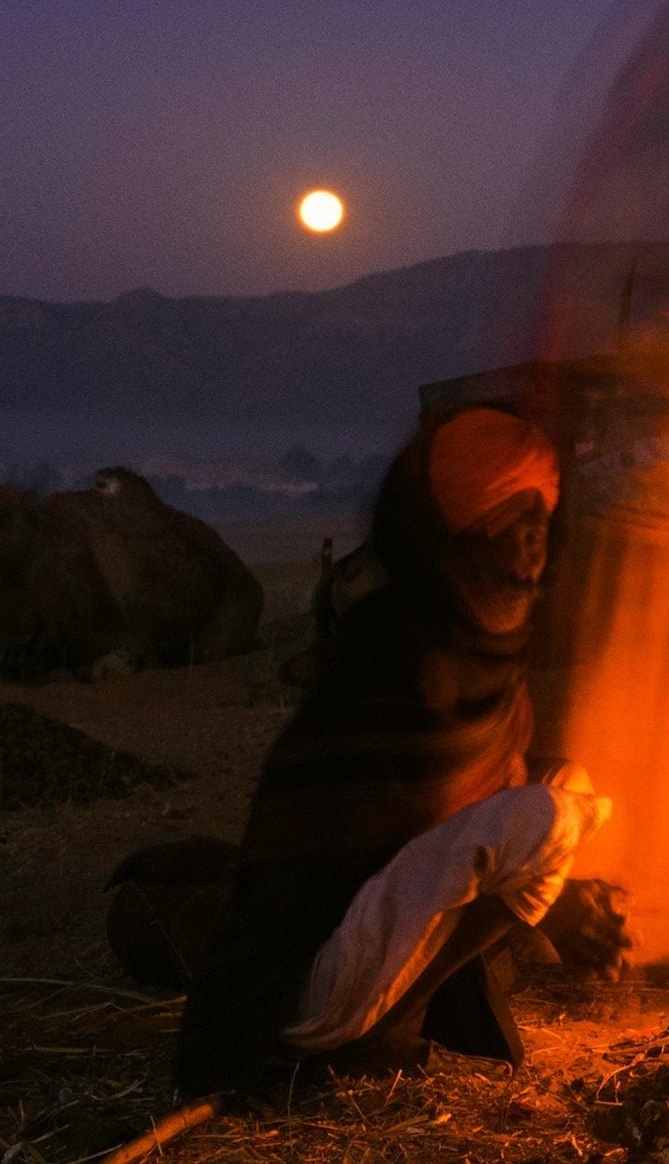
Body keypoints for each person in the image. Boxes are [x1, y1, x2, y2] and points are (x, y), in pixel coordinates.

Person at [173, 408, 629, 1097]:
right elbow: (395, 838)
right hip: (300, 986)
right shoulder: (401, 657)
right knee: (546, 819)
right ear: (458, 536)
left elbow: (457, 815)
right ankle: (376, 1029)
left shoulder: (474, 656)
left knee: (565, 781)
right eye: (514, 518)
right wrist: (556, 898)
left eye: (543, 517)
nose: (535, 543)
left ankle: (409, 1007)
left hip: (366, 940)